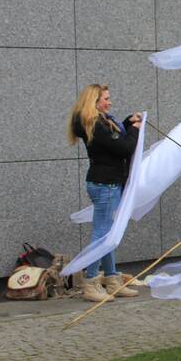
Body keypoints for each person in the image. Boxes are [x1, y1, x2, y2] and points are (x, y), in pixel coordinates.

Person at [66, 84, 141, 303]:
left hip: (104, 183)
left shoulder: (96, 122)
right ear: (94, 102)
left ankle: (112, 279)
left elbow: (114, 138)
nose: (109, 102)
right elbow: (125, 148)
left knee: (107, 233)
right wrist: (136, 129)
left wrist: (128, 122)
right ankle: (90, 282)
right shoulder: (95, 124)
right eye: (105, 99)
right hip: (106, 185)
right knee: (102, 235)